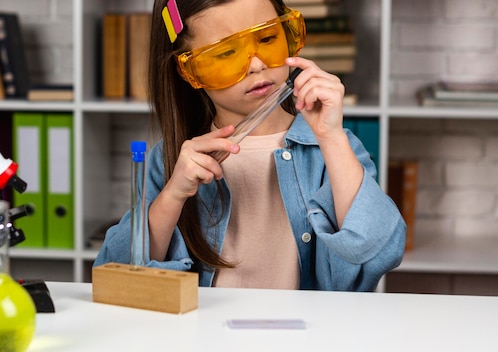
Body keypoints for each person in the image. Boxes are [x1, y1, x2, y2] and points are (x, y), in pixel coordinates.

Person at [94, 0, 406, 291]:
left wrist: (331, 137)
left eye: (268, 39)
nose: (256, 65)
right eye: (227, 53)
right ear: (189, 72)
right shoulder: (174, 159)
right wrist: (173, 195)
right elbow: (118, 275)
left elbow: (379, 252)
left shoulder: (334, 146)